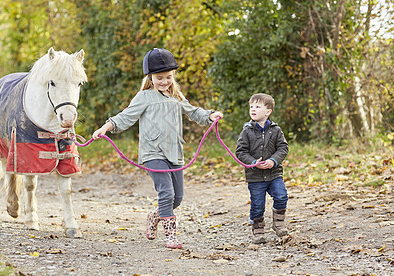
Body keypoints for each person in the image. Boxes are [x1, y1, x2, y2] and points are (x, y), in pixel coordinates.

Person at [92, 48, 223, 249]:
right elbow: (125, 117)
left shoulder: (177, 97)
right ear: (150, 78)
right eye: (159, 78)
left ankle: (155, 216)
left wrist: (210, 115)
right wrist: (105, 128)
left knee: (177, 198)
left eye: (168, 77)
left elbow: (194, 112)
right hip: (153, 153)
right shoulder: (144, 97)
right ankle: (170, 237)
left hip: (174, 152)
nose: (164, 81)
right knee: (166, 193)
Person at [235, 93, 289, 244]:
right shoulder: (247, 131)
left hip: (274, 173)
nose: (253, 109)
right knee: (257, 204)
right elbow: (240, 151)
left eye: (257, 107)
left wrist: (274, 160)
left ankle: (278, 223)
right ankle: (258, 229)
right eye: (251, 106)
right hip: (255, 176)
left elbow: (283, 148)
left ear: (268, 112)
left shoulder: (275, 130)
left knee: (281, 196)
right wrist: (253, 162)